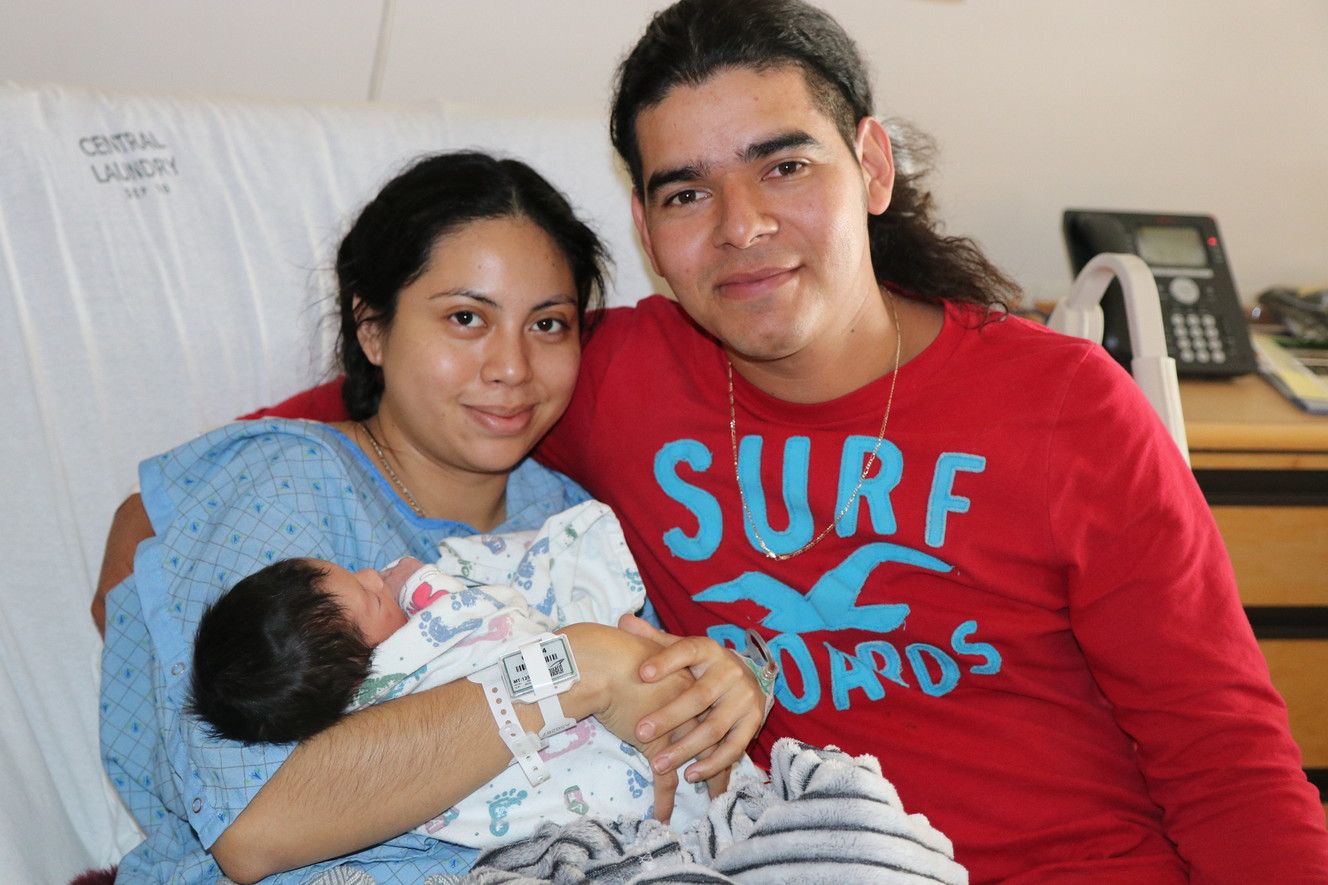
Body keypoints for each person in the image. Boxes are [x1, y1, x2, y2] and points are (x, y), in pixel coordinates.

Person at [99, 2, 1328, 883]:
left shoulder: (1066, 405)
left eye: (781, 164)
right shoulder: (601, 369)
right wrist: (151, 565)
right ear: (643, 222)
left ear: (872, 166)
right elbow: (353, 422)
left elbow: (1224, 759)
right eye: (686, 190)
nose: (740, 227)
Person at [98, 150, 769, 885]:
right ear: (372, 328)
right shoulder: (282, 485)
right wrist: (571, 667)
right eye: (465, 317)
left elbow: (647, 753)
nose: (511, 366)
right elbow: (255, 827)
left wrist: (718, 693)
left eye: (548, 324)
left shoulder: (572, 519)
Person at [187, 500, 733, 848]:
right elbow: (476, 617)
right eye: (372, 598)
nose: (373, 574)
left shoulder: (348, 687)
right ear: (360, 675)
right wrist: (419, 580)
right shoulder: (404, 670)